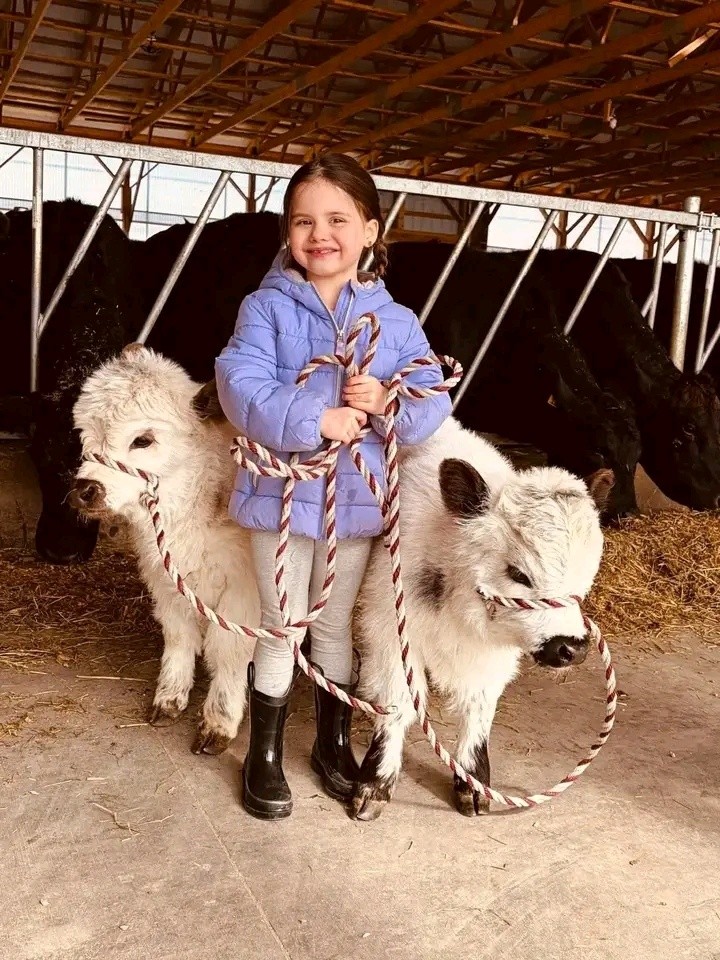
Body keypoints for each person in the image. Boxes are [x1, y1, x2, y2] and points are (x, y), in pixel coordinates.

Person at [215, 153, 451, 820]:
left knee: (333, 624)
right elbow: (239, 382)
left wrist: (386, 401)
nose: (320, 234)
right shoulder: (263, 308)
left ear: (370, 230)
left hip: (353, 503)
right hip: (279, 500)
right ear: (288, 234)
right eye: (303, 222)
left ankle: (330, 743)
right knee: (281, 623)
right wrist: (316, 418)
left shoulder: (396, 321)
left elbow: (431, 396)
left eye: (338, 220)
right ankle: (263, 754)